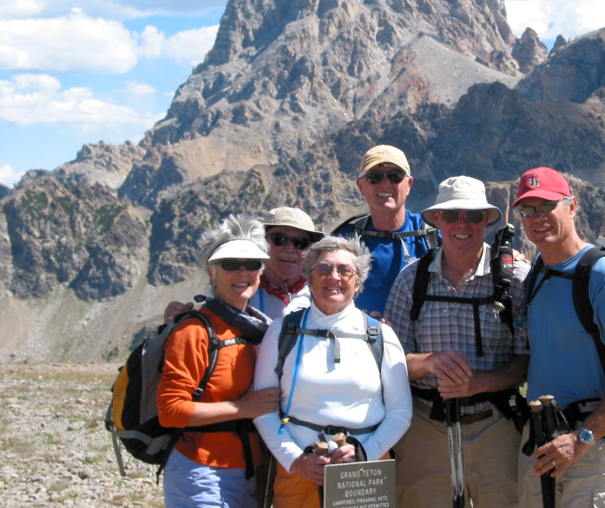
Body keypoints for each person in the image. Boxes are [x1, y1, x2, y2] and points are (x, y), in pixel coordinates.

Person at [384, 176, 530, 508]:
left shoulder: (514, 281)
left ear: (487, 221)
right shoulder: (411, 280)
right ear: (437, 220)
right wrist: (430, 362)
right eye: (451, 215)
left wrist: (480, 383)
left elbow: (526, 360)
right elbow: (390, 362)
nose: (461, 224)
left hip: (496, 428)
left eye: (472, 215)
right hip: (424, 430)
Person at [513, 167, 605, 508]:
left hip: (593, 451)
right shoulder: (538, 274)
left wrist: (583, 438)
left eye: (547, 206)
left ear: (572, 206)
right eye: (528, 210)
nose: (537, 218)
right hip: (541, 442)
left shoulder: (604, 276)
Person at [253, 235, 413, 508]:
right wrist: (295, 459)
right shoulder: (281, 331)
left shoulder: (380, 335)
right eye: (324, 269)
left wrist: (364, 453)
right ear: (309, 278)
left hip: (364, 470)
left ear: (359, 282)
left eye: (345, 270)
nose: (334, 277)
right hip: (299, 471)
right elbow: (262, 409)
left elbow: (401, 411)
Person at [157, 214, 282, 508]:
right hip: (199, 471)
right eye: (230, 264)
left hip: (248, 470)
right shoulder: (194, 330)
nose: (242, 272)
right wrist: (242, 408)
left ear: (261, 272)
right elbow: (170, 411)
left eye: (252, 264)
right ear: (211, 272)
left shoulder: (261, 328)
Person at [164, 207, 325, 323]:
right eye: (279, 239)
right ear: (262, 243)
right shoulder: (239, 287)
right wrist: (173, 324)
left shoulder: (322, 293)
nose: (290, 249)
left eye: (301, 243)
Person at [332, 145, 438, 317]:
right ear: (360, 186)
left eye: (395, 177)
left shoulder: (433, 236)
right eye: (375, 177)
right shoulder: (343, 240)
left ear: (409, 184)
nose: (385, 184)